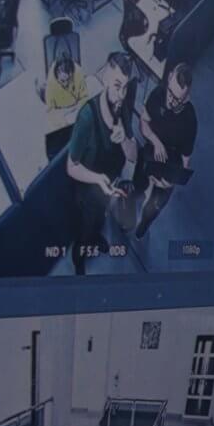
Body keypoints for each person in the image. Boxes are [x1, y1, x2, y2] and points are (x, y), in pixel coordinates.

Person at [64, 51, 143, 273]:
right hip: (89, 188)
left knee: (100, 219)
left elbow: (133, 157)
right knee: (86, 225)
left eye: (126, 87)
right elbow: (72, 166)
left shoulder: (123, 106)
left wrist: (126, 139)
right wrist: (97, 179)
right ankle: (79, 258)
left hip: (110, 184)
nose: (121, 94)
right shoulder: (87, 117)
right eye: (117, 86)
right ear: (106, 79)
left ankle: (95, 237)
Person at [133, 60, 200, 240]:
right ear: (169, 78)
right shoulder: (158, 93)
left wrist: (170, 183)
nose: (171, 100)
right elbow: (143, 123)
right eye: (170, 92)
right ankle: (134, 203)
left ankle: (143, 227)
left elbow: (186, 161)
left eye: (177, 98)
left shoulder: (190, 121)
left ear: (187, 96)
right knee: (137, 186)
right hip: (150, 152)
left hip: (171, 166)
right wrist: (156, 142)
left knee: (154, 207)